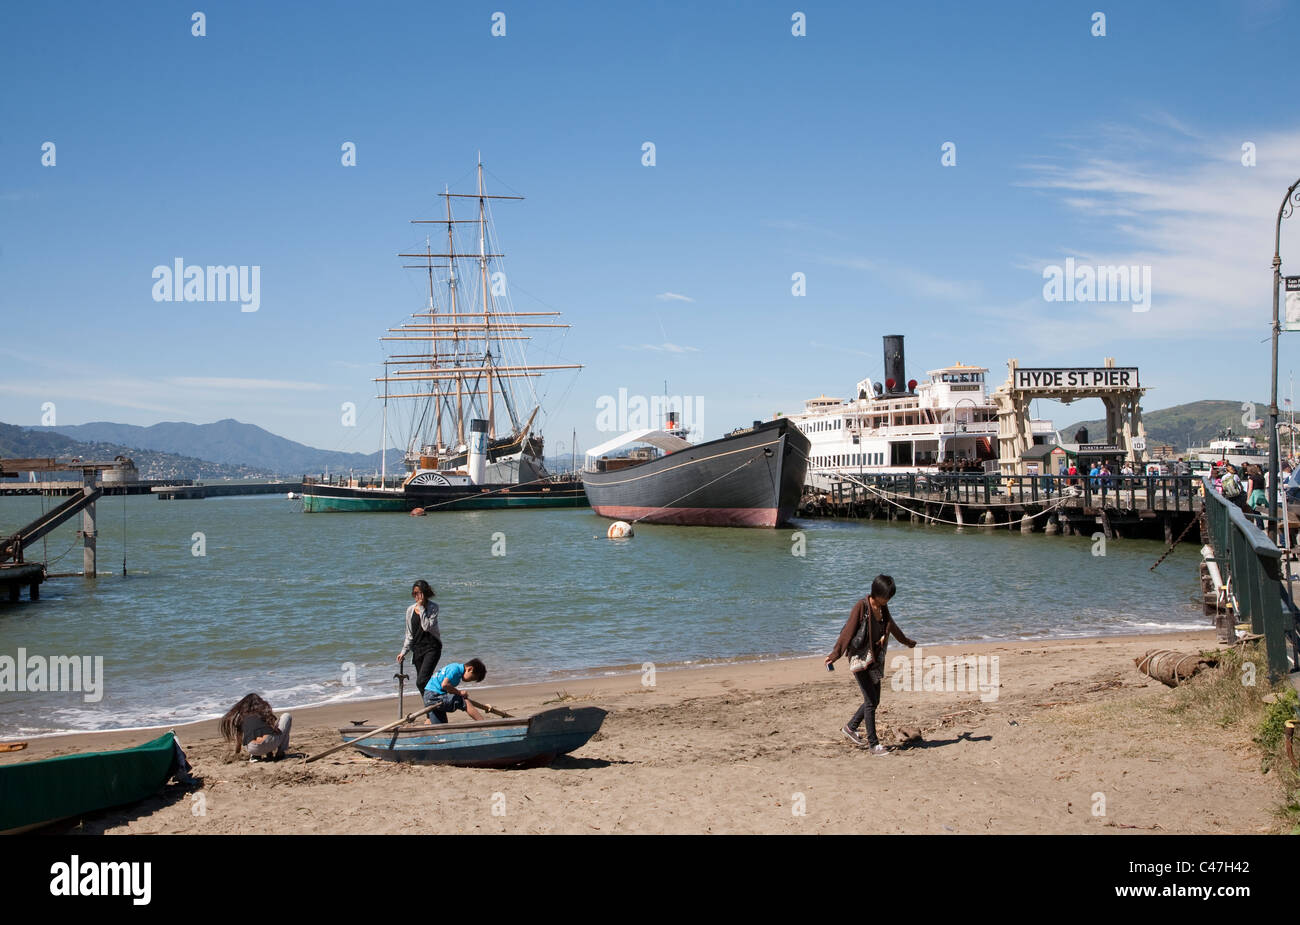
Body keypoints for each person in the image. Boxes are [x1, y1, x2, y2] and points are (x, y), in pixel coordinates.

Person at [825, 575, 916, 756]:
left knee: (874, 700)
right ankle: (873, 745)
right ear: (877, 593)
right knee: (870, 701)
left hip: (874, 660)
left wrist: (907, 642)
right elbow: (848, 631)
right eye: (887, 596)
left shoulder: (883, 608)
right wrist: (835, 655)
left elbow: (892, 627)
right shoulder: (862, 606)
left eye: (890, 596)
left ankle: (850, 728)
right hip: (859, 659)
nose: (888, 599)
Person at [397, 580, 441, 694]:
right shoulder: (410, 610)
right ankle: (432, 704)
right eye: (414, 593)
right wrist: (403, 652)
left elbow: (427, 627)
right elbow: (409, 634)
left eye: (419, 593)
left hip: (432, 648)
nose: (417, 596)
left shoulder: (433, 607)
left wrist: (421, 607)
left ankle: (438, 698)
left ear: (425, 593)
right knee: (424, 684)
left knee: (421, 681)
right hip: (418, 649)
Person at [219, 693, 292, 761]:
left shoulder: (241, 717)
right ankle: (280, 753)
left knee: (249, 732)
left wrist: (237, 753)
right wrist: (269, 752)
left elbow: (239, 741)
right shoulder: (264, 712)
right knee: (286, 716)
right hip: (271, 744)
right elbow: (271, 729)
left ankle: (255, 756)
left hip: (253, 749)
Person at [422, 658, 487, 724]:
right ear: (470, 669)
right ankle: (483, 722)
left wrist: (457, 693)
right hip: (434, 695)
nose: (470, 681)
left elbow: (448, 689)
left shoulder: (455, 669)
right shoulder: (456, 669)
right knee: (464, 701)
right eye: (472, 678)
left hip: (429, 697)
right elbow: (445, 685)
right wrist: (459, 692)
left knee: (441, 725)